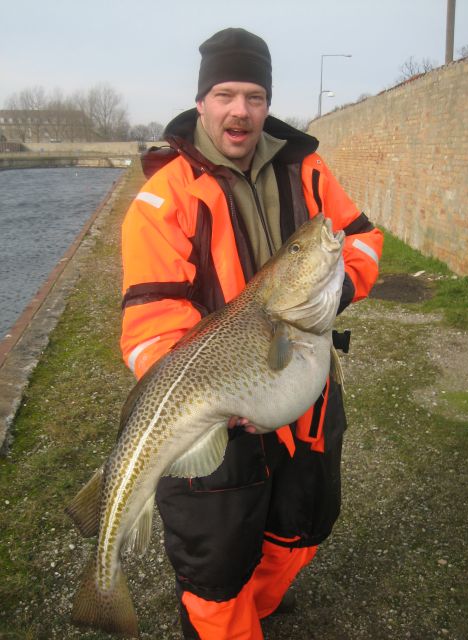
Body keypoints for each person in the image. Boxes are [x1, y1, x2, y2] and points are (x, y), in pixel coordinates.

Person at [121, 27, 383, 640]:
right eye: (225, 94)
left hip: (305, 385)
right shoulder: (162, 201)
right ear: (202, 101)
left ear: (267, 103)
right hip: (218, 409)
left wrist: (337, 289)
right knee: (216, 562)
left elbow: (361, 237)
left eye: (255, 96)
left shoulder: (307, 168)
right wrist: (212, 392)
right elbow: (150, 323)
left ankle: (260, 607)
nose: (240, 111)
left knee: (303, 521)